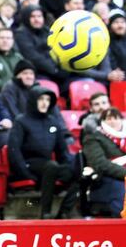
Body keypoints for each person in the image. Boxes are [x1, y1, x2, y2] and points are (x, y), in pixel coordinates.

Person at [8, 86, 76, 218]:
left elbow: (62, 151)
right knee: (51, 166)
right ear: (33, 100)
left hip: (49, 167)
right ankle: (45, 213)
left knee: (78, 172)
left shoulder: (53, 121)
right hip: (29, 165)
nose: (45, 103)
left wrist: (71, 168)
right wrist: (25, 173)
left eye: (47, 99)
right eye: (41, 99)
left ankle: (63, 213)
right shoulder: (21, 121)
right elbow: (14, 150)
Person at [82, 107, 126, 217]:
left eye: (116, 118)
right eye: (108, 118)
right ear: (102, 121)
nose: (113, 121)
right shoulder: (93, 138)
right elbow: (100, 164)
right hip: (108, 178)